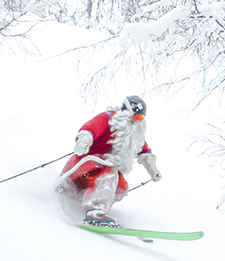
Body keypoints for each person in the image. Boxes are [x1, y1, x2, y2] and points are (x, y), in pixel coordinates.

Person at [56, 95, 161, 227]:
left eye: (141, 118)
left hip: (101, 170)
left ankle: (91, 200)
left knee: (121, 187)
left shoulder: (133, 133)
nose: (137, 122)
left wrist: (152, 168)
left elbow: (144, 150)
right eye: (136, 117)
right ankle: (94, 212)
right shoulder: (109, 119)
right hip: (84, 164)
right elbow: (91, 128)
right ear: (126, 111)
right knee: (109, 173)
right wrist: (84, 140)